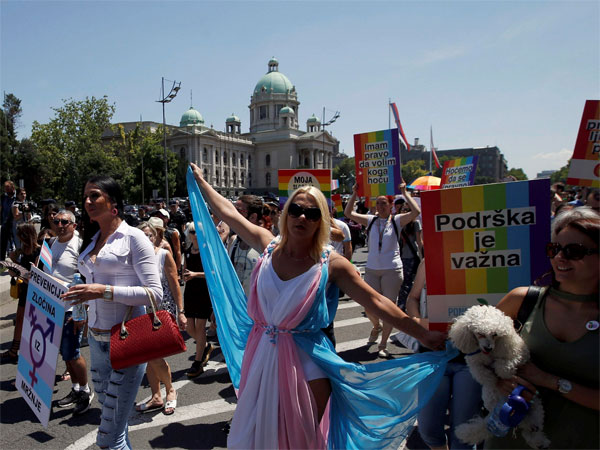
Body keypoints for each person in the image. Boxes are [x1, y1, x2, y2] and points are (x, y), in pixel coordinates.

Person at [189, 162, 452, 449]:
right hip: (261, 354)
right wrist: (203, 184)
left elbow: (376, 301)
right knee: (251, 437)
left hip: (308, 363)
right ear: (285, 213)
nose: (302, 216)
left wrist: (422, 334)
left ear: (322, 221)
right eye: (296, 209)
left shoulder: (333, 264)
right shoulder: (267, 245)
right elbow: (228, 211)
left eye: (312, 213)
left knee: (300, 440)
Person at [62, 175, 162, 450]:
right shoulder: (91, 239)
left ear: (114, 203)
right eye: (85, 196)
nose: (88, 201)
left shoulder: (135, 238)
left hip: (128, 341)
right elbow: (86, 287)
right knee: (118, 427)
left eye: (94, 195)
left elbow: (155, 294)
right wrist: (79, 307)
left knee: (109, 437)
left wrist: (102, 291)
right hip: (96, 341)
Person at [486, 207, 599, 449]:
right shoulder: (521, 300)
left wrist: (550, 381)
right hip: (508, 441)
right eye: (554, 249)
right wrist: (497, 380)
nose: (560, 257)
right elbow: (477, 354)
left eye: (574, 251)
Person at [405, 260, 482, 450]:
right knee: (428, 429)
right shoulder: (427, 261)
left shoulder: (480, 261)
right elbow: (412, 298)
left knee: (464, 435)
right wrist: (418, 323)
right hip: (432, 355)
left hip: (470, 358)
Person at [344, 182, 421, 358]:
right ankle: (376, 326)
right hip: (371, 269)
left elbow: (416, 212)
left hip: (392, 270)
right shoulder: (370, 220)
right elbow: (348, 213)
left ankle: (383, 344)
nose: (380, 206)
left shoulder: (397, 220)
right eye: (378, 203)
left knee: (388, 308)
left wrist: (404, 192)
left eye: (384, 203)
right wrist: (355, 194)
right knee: (369, 307)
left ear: (391, 204)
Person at [45, 209, 94, 415]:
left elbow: (87, 281)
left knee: (73, 353)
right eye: (57, 221)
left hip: (72, 309)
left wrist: (81, 313)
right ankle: (75, 388)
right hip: (54, 307)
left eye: (65, 221)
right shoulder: (52, 244)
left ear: (74, 225)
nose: (60, 224)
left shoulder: (80, 246)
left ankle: (85, 391)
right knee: (64, 353)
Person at [135, 222, 187, 415]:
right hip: (140, 311)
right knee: (147, 357)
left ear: (156, 236)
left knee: (154, 355)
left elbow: (175, 284)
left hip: (161, 311)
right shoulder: (132, 258)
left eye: (149, 235)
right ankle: (156, 396)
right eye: (142, 235)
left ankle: (170, 390)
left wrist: (181, 311)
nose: (146, 239)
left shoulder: (163, 255)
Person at [0, 223, 40, 363]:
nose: (19, 239)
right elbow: (22, 269)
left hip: (34, 291)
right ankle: (13, 350)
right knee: (20, 319)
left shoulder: (37, 251)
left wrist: (19, 270)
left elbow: (37, 273)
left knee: (32, 322)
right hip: (24, 289)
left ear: (26, 235)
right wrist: (13, 263)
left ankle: (26, 352)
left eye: (21, 236)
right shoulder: (23, 249)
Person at [183, 221, 214, 377]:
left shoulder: (206, 250)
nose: (194, 234)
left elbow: (213, 273)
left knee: (200, 327)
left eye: (196, 231)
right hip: (190, 291)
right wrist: (185, 275)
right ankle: (206, 346)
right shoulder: (188, 250)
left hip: (203, 292)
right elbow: (185, 268)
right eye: (191, 231)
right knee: (189, 328)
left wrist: (195, 275)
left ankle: (198, 361)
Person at [0, 180, 16, 260]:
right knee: (3, 243)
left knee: (17, 242)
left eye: (7, 187)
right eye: (5, 188)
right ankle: (2, 261)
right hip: (5, 223)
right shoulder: (3, 197)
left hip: (15, 224)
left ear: (13, 187)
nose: (6, 189)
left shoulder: (17, 197)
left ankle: (19, 260)